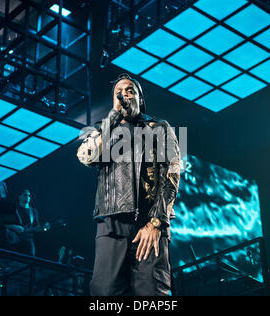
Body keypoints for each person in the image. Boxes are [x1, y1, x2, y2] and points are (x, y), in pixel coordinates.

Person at [77, 73, 180, 296]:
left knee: (153, 293)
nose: (124, 94)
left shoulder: (160, 127)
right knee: (105, 294)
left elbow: (171, 175)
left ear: (140, 99)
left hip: (149, 225)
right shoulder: (101, 130)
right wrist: (112, 117)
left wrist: (157, 221)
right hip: (111, 224)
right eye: (118, 92)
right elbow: (86, 157)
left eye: (130, 90)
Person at [4, 189, 48, 256]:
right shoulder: (14, 208)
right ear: (19, 197)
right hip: (13, 239)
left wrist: (43, 227)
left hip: (28, 240)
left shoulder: (33, 211)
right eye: (25, 195)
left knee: (29, 260)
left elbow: (37, 227)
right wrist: (14, 227)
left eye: (29, 195)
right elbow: (4, 223)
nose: (27, 197)